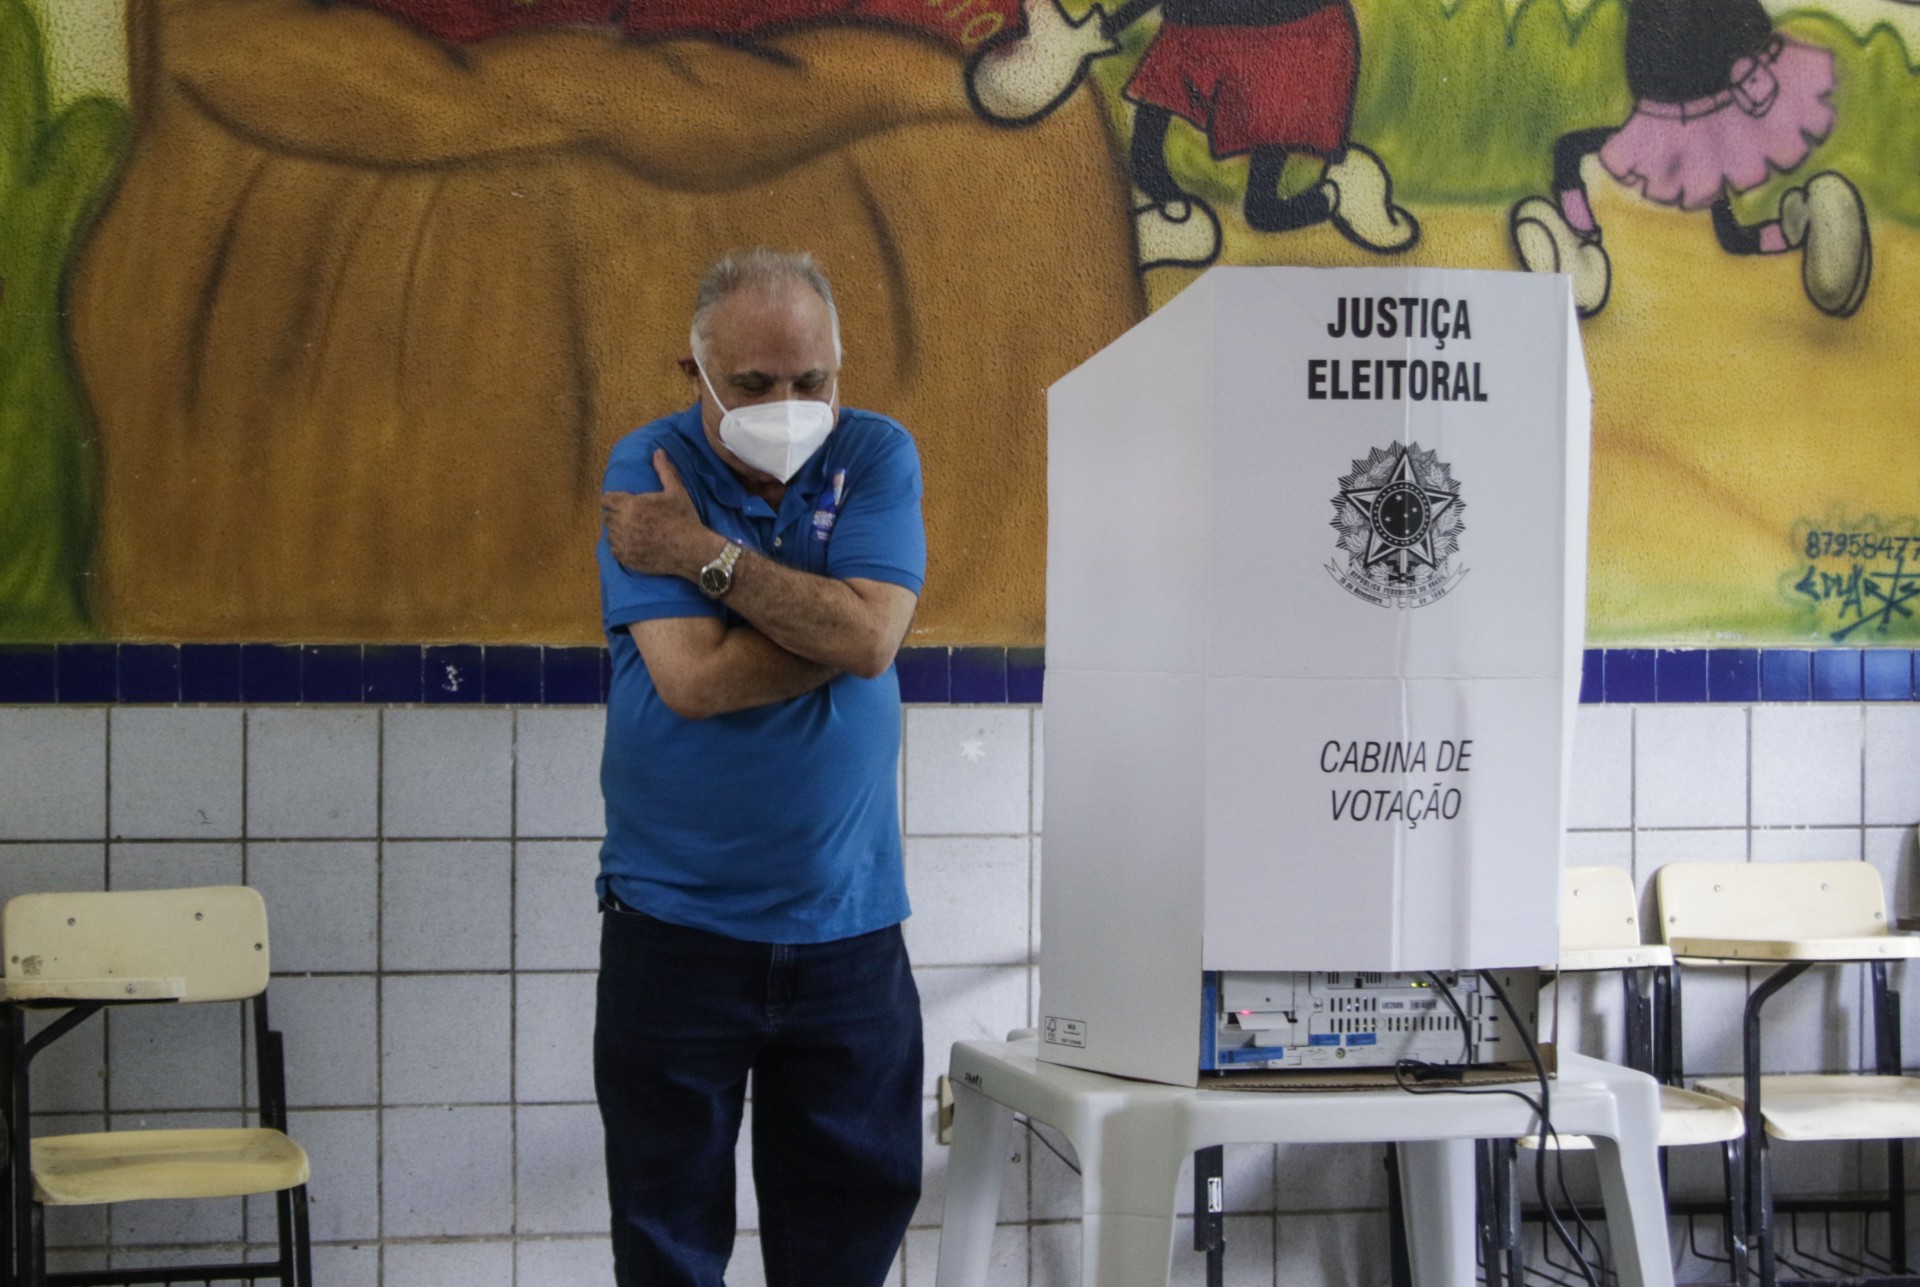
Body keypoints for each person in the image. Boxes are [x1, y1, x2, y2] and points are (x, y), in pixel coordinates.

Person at [592, 248, 926, 1287]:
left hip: (849, 935)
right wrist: (831, 619)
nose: (788, 405)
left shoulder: (874, 453)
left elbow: (873, 642)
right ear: (692, 372)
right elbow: (694, 681)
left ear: (839, 366)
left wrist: (705, 558)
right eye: (752, 385)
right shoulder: (645, 471)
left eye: (810, 380)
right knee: (667, 1244)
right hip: (674, 932)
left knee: (845, 1246)